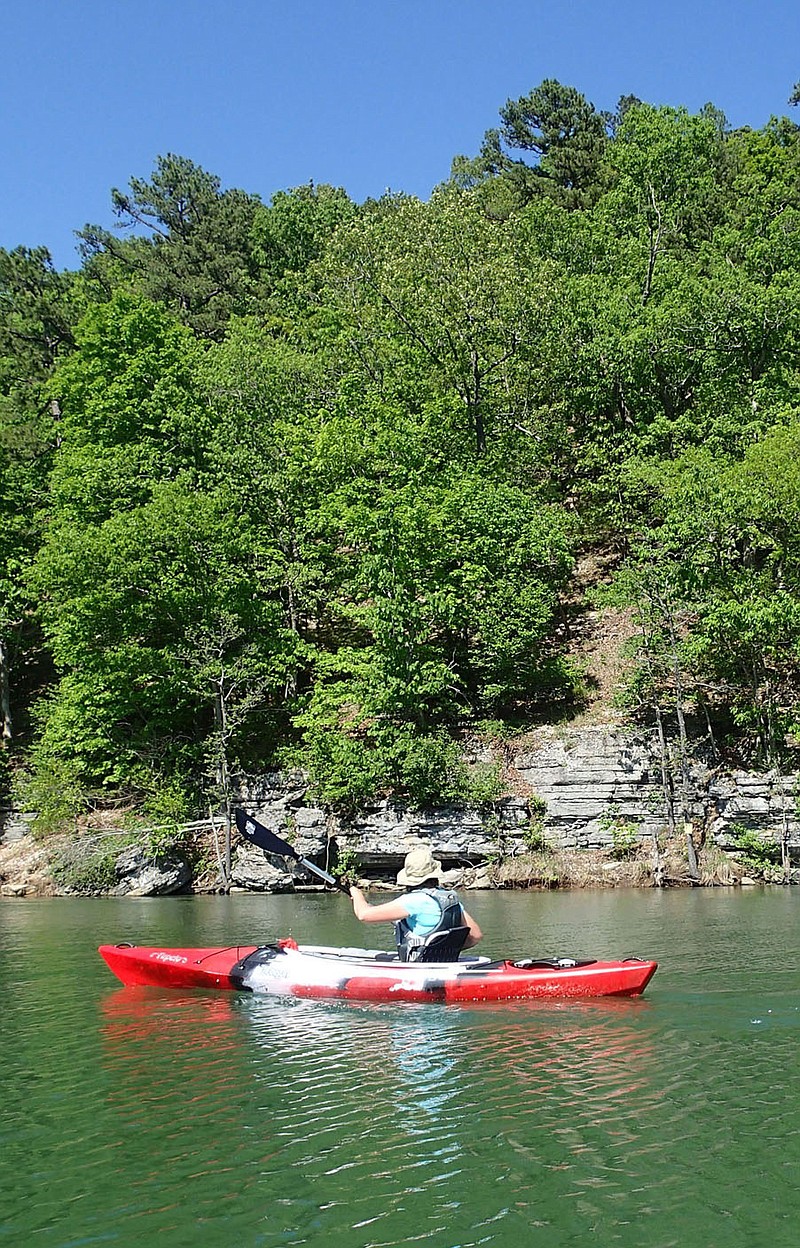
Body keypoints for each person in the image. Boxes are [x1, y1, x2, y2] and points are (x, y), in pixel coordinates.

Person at [349, 845, 482, 961]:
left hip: (419, 965)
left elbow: (364, 915)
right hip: (447, 961)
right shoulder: (451, 898)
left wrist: (357, 895)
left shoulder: (412, 900)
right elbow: (475, 936)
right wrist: (446, 950)